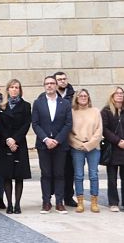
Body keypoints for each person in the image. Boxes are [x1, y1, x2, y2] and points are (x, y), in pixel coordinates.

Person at [33, 74, 74, 214]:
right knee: (46, 174)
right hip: (43, 144)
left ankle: (59, 202)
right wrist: (46, 139)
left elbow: (68, 123)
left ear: (56, 85)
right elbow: (35, 124)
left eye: (52, 83)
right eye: (47, 83)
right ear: (44, 86)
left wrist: (57, 140)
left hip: (60, 144)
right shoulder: (38, 103)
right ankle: (46, 202)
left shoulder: (65, 103)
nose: (49, 85)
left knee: (59, 173)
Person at [0, 79, 31, 214]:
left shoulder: (26, 106)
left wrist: (15, 139)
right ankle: (9, 204)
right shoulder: (1, 106)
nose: (14, 90)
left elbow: (26, 125)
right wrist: (8, 140)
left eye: (17, 87)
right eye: (12, 87)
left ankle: (17, 204)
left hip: (19, 143)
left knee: (18, 175)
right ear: (8, 89)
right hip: (5, 144)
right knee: (7, 175)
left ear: (20, 90)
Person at [69, 89, 103, 213]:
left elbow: (99, 131)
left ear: (88, 97)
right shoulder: (72, 112)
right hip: (77, 148)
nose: (83, 97)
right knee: (78, 175)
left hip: (93, 148)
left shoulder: (95, 111)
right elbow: (69, 132)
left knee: (94, 175)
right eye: (80, 96)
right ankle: (80, 202)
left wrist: (89, 145)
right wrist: (78, 144)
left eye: (85, 96)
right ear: (76, 98)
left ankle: (94, 202)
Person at [54, 71, 77, 208]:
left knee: (70, 170)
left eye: (64, 79)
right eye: (59, 79)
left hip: (70, 138)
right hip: (54, 138)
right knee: (55, 170)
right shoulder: (49, 95)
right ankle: (55, 197)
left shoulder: (74, 96)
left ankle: (68, 196)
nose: (62, 81)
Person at [101, 86, 124, 211]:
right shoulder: (106, 111)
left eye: (122, 93)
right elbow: (104, 129)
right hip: (113, 148)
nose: (120, 95)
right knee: (112, 179)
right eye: (117, 93)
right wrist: (118, 141)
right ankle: (113, 203)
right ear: (112, 96)